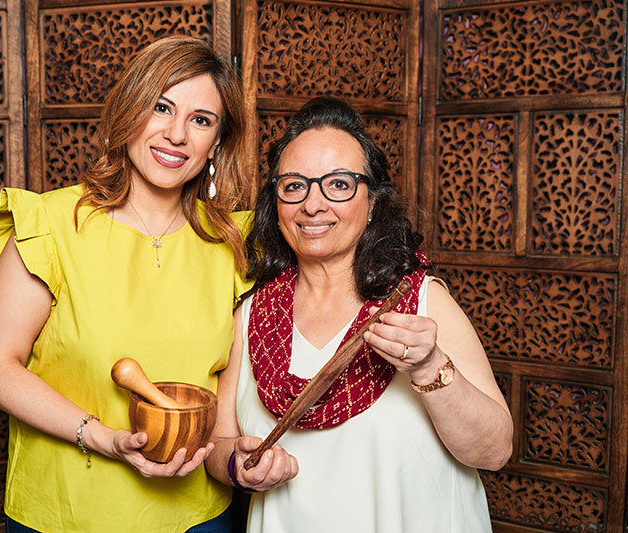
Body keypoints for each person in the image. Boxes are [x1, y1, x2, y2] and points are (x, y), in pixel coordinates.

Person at [0, 36, 253, 532]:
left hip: (200, 516)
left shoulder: (235, 241)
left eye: (201, 120)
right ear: (129, 112)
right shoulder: (51, 225)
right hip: (67, 513)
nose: (177, 134)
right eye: (161, 107)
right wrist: (102, 438)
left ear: (217, 143)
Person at [205, 96, 513, 532]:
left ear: (372, 202)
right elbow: (219, 444)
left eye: (339, 184)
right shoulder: (252, 314)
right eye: (294, 185)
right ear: (275, 204)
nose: (313, 204)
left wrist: (428, 366)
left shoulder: (419, 301)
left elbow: (494, 451)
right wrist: (238, 466)